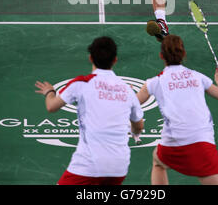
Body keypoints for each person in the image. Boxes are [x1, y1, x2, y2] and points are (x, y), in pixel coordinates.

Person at [35, 36, 144, 185]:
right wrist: (135, 133)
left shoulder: (81, 83)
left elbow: (51, 106)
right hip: (119, 167)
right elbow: (138, 126)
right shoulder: (127, 90)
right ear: (115, 60)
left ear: (90, 58)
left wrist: (49, 92)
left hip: (89, 165)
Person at [136, 34, 218, 185]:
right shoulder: (198, 77)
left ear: (161, 56)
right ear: (183, 54)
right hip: (202, 144)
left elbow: (131, 104)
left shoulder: (154, 82)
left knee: (158, 162)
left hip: (172, 145)